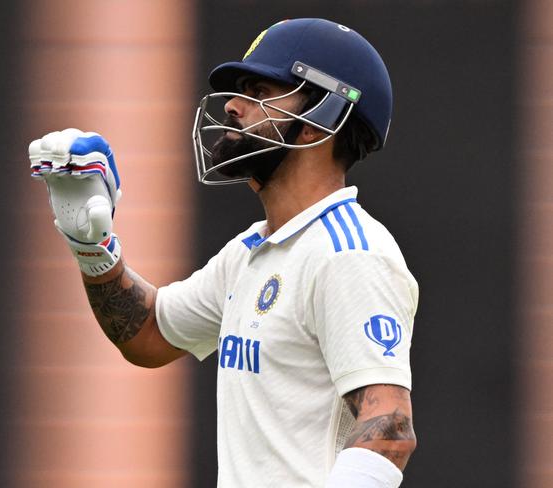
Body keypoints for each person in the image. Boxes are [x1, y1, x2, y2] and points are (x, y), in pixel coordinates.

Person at [29, 18, 418, 488]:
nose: (233, 106)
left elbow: (389, 430)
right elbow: (149, 334)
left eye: (259, 91)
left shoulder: (348, 254)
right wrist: (93, 248)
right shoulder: (252, 252)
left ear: (325, 118)